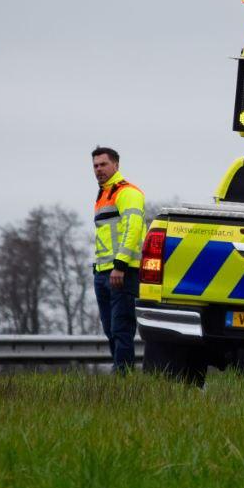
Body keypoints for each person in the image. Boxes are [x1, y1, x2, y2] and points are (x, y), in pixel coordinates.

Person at [91, 146, 145, 372]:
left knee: (121, 328)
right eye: (95, 166)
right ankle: (122, 373)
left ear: (116, 165)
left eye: (103, 164)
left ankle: (123, 378)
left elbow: (132, 229)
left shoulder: (127, 192)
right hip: (103, 271)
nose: (98, 169)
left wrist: (120, 266)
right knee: (110, 329)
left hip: (122, 271)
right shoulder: (104, 195)